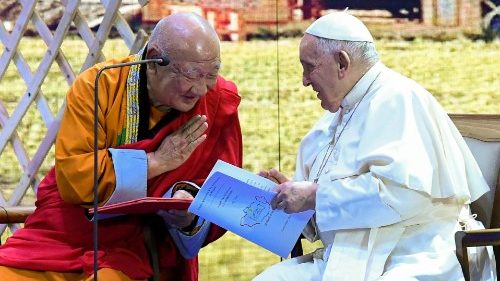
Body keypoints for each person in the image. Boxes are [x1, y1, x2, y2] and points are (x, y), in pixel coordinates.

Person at [254, 12, 496, 281]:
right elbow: (335, 205)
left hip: (413, 255)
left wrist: (314, 196)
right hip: (347, 258)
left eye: (309, 66)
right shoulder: (335, 118)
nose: (304, 80)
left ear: (342, 63)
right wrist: (290, 197)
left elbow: (403, 195)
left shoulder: (400, 99)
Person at [0, 12, 242, 281]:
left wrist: (188, 215)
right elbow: (73, 179)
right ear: (154, 61)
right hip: (65, 233)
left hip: (141, 245)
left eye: (212, 73)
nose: (201, 88)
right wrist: (155, 162)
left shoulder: (219, 102)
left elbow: (223, 193)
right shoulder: (99, 85)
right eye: (192, 74)